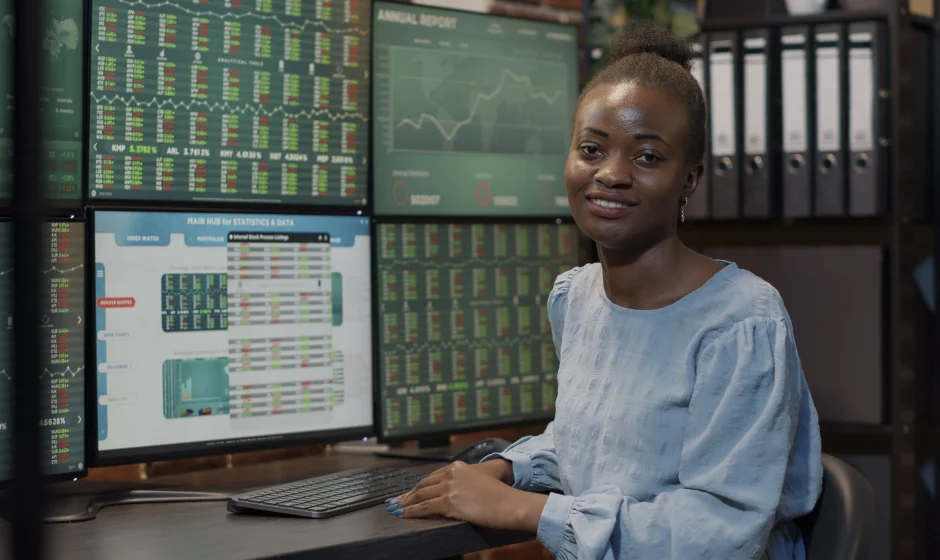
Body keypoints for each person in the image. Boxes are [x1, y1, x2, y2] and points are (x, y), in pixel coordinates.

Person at [385, 21, 822, 560]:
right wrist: (505, 467)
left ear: (690, 178)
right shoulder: (576, 296)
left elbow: (722, 533)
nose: (610, 174)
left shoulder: (743, 321)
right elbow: (599, 446)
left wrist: (527, 511)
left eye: (647, 157)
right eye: (591, 149)